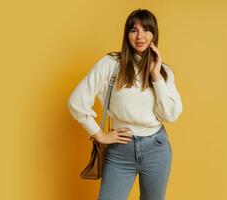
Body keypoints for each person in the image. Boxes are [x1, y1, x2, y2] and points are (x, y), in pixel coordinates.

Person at [67, 8, 183, 200]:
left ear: (154, 34)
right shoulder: (110, 64)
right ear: (126, 34)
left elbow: (170, 115)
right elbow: (76, 102)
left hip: (156, 148)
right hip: (121, 151)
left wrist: (155, 77)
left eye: (146, 30)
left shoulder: (164, 72)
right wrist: (100, 135)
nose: (140, 36)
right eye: (133, 30)